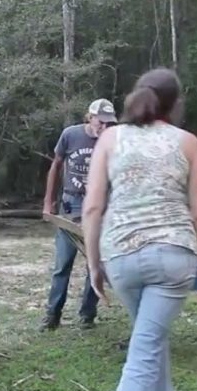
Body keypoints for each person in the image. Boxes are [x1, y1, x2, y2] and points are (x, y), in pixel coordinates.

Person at [80, 68, 197, 391]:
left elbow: (93, 206)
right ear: (174, 103)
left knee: (149, 336)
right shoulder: (188, 143)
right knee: (145, 349)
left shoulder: (109, 138)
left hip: (120, 255)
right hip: (172, 255)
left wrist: (93, 262)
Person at [40, 98, 118, 331]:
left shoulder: (113, 141)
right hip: (70, 204)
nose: (104, 127)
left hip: (99, 207)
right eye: (101, 122)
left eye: (109, 124)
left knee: (94, 263)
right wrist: (48, 201)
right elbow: (56, 165)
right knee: (62, 264)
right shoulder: (71, 135)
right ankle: (52, 315)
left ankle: (87, 315)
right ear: (90, 117)